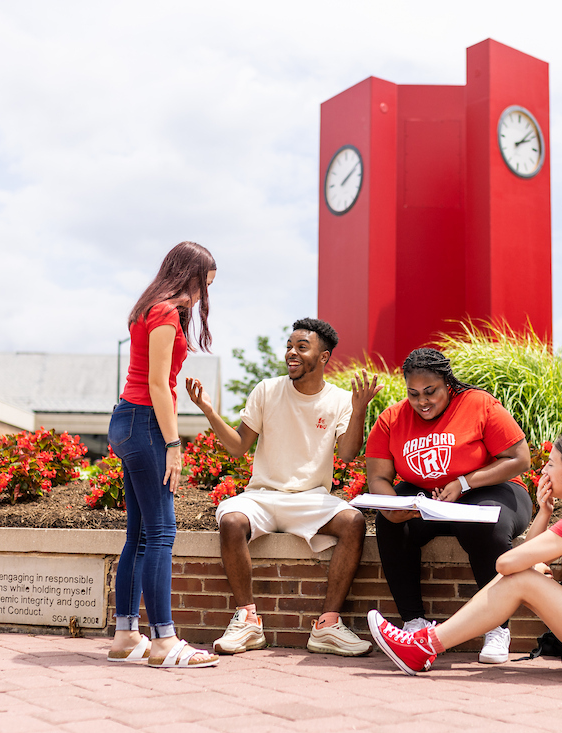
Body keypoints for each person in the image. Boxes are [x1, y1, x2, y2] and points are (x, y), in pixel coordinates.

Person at [368, 431, 562, 683]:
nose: (544, 472)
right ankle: (425, 645)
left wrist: (529, 568)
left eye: (550, 464)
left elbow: (506, 563)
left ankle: (425, 645)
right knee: (523, 576)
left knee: (521, 577)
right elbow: (520, 560)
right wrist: (545, 511)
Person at [185, 318, 380, 657]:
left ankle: (328, 626)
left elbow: (348, 454)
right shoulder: (266, 390)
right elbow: (238, 447)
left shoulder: (340, 400)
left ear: (323, 357)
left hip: (310, 500)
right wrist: (209, 412)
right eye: (289, 346)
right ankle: (247, 621)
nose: (291, 353)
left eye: (301, 347)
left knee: (354, 523)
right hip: (261, 497)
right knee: (231, 521)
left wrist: (360, 409)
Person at [365, 348, 533, 664]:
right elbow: (378, 477)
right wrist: (391, 507)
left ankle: (497, 626)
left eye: (430, 392)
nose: (422, 401)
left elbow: (519, 459)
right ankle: (414, 622)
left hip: (491, 489)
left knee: (486, 525)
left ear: (447, 383)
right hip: (428, 498)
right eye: (413, 394)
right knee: (390, 522)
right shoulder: (392, 418)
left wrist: (465, 483)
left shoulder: (478, 404)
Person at [105, 241, 219, 669]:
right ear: (189, 276)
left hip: (127, 420)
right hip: (145, 423)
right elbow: (157, 384)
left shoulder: (148, 307)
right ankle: (164, 641)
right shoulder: (167, 311)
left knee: (139, 533)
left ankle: (125, 635)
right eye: (204, 285)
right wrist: (174, 444)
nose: (204, 297)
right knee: (162, 532)